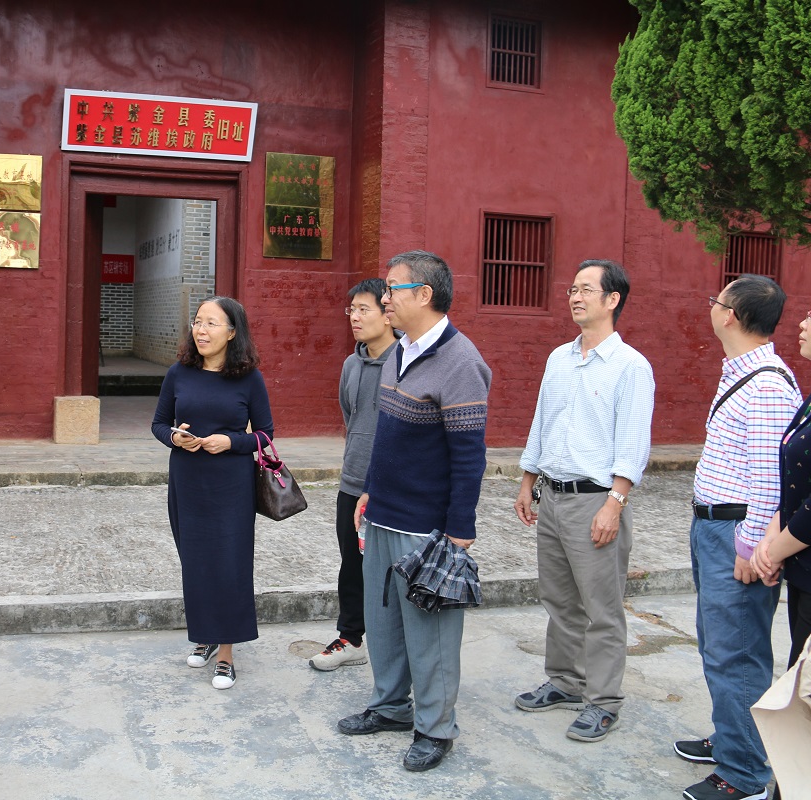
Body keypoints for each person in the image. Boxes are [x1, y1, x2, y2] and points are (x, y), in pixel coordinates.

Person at [336, 251, 491, 773]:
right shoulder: (399, 351)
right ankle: (389, 706)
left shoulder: (461, 361)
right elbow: (387, 436)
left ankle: (435, 728)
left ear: (424, 295)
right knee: (383, 622)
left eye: (393, 289)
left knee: (431, 634)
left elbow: (469, 455)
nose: (385, 299)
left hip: (426, 526)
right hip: (383, 512)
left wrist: (460, 530)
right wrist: (370, 491)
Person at [513, 259, 655, 743]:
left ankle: (604, 701)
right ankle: (565, 682)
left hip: (595, 501)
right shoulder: (559, 358)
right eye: (572, 289)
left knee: (601, 607)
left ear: (612, 299)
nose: (575, 297)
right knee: (558, 599)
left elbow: (633, 442)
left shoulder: (630, 366)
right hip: (553, 496)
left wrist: (615, 504)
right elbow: (542, 421)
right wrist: (528, 480)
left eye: (586, 290)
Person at [679, 276, 799, 800]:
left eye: (717, 301)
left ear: (730, 315)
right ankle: (732, 737)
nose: (712, 307)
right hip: (714, 526)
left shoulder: (767, 385)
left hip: (736, 533)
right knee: (718, 643)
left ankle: (744, 773)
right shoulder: (742, 373)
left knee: (738, 652)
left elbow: (771, 480)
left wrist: (751, 548)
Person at [150, 296, 274, 690]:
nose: (201, 330)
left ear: (232, 332)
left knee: (229, 565)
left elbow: (266, 434)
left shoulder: (249, 378)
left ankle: (226, 654)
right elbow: (158, 423)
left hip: (231, 485)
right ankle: (204, 636)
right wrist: (175, 437)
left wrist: (232, 441)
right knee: (196, 563)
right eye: (198, 322)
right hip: (188, 480)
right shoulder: (179, 373)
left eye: (211, 323)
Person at [310, 277, 399, 672]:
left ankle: (394, 644)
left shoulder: (406, 362)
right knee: (352, 564)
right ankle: (351, 639)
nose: (355, 317)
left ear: (387, 313)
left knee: (392, 568)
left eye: (364, 309)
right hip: (353, 482)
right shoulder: (351, 364)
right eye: (352, 310)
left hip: (392, 487)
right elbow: (352, 417)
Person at [752, 307, 811, 800]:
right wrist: (775, 535)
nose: (803, 323)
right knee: (800, 682)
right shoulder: (809, 401)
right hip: (801, 566)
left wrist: (774, 548)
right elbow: (792, 482)